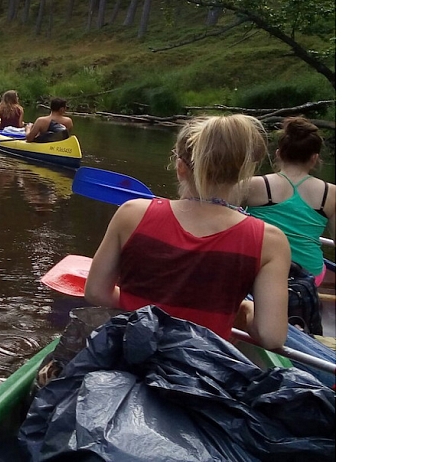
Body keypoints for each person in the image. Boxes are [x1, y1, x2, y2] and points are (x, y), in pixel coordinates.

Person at [84, 114, 291, 350]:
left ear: (180, 168)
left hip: (129, 351)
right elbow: (271, 336)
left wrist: (138, 305)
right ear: (243, 175)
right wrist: (246, 309)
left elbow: (96, 292)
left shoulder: (132, 213)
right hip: (201, 369)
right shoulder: (270, 241)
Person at [242, 116, 337, 287]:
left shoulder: (252, 185)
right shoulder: (333, 194)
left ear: (278, 154)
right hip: (310, 276)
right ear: (314, 158)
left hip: (260, 271)